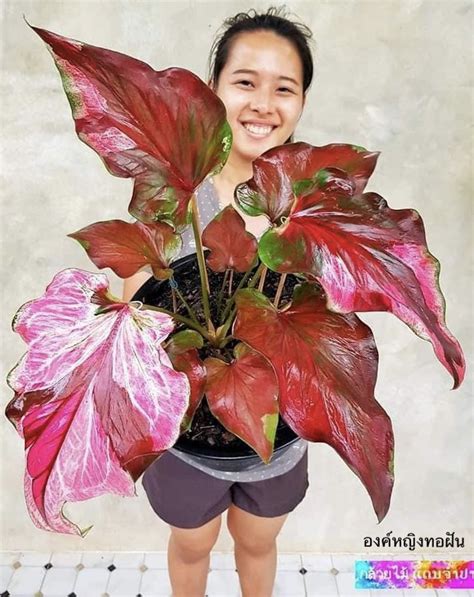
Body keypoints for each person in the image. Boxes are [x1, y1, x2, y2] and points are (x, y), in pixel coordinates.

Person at [123, 7, 314, 596]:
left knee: (259, 543)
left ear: (302, 101)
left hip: (276, 441)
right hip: (186, 440)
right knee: (192, 545)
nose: (263, 104)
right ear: (212, 93)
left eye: (284, 88)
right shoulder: (177, 189)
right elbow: (132, 312)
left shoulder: (309, 197)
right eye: (245, 83)